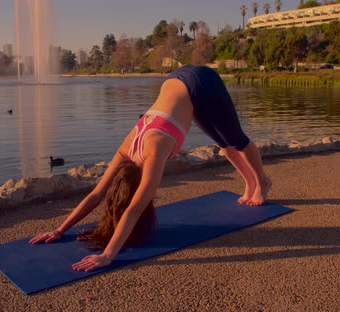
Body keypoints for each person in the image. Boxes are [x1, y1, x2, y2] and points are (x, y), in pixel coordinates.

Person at [29, 65, 272, 272]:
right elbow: (96, 194)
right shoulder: (125, 150)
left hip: (201, 82)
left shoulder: (153, 152)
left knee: (236, 139)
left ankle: (261, 182)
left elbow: (135, 209)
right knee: (222, 142)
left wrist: (108, 255)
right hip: (178, 81)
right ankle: (248, 183)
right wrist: (60, 229)